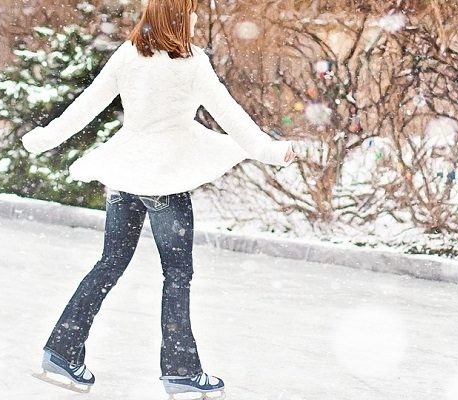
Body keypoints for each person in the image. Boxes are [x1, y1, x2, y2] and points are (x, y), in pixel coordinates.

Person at [22, 0, 297, 397]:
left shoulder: (128, 55)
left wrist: (46, 138)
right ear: (179, 17)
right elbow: (231, 116)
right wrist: (271, 152)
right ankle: (181, 370)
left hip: (126, 173)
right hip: (164, 179)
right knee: (178, 275)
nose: (197, 17)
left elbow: (87, 106)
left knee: (110, 263)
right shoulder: (191, 63)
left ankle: (63, 350)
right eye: (191, 11)